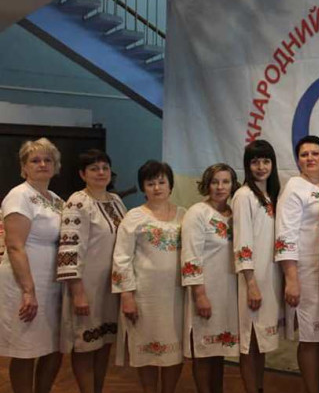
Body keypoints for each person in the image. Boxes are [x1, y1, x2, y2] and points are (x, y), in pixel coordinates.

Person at [111, 160, 185, 393]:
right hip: (144, 297)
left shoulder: (184, 215)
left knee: (175, 352)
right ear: (143, 187)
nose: (157, 187)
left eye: (162, 182)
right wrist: (126, 296)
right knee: (146, 351)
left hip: (177, 297)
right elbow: (121, 258)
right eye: (150, 183)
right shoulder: (134, 217)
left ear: (170, 185)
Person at [57, 149, 127, 393]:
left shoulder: (116, 201)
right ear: (82, 174)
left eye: (105, 168)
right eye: (94, 168)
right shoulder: (78, 202)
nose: (100, 172)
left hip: (110, 287)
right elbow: (69, 249)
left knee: (104, 343)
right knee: (85, 345)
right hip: (86, 287)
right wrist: (78, 293)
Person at [275, 135, 319, 393]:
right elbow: (285, 235)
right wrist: (291, 279)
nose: (310, 158)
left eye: (315, 153)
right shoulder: (294, 186)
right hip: (306, 273)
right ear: (298, 160)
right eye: (304, 155)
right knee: (311, 337)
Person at [0, 138, 64, 393]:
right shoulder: (19, 196)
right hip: (24, 282)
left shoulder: (56, 200)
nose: (42, 164)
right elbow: (15, 246)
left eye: (48, 160)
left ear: (55, 166)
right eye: (35, 160)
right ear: (24, 167)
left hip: (53, 284)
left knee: (53, 347)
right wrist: (28, 290)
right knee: (25, 349)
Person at [181, 164, 241, 393]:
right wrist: (200, 295)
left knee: (219, 350)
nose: (220, 187)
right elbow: (190, 256)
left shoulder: (235, 214)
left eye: (225, 182)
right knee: (204, 351)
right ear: (207, 184)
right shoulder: (197, 213)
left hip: (229, 293)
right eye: (215, 182)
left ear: (233, 185)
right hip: (206, 292)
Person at [231, 141, 284, 393]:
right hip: (251, 279)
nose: (261, 167)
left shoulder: (271, 195)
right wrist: (251, 283)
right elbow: (242, 243)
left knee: (261, 342)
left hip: (269, 277)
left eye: (266, 161)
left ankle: (259, 387)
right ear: (247, 165)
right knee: (250, 342)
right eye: (255, 162)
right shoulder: (244, 196)